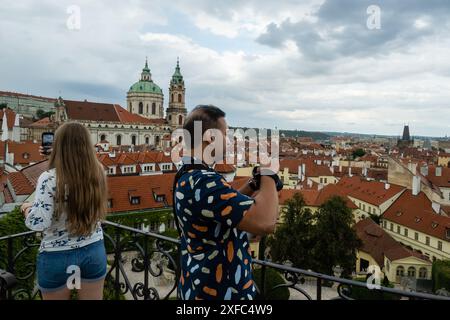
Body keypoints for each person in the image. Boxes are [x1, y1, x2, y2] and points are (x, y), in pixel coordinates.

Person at [174, 105, 280, 300]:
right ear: (210, 137)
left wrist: (251, 185)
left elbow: (220, 207)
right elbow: (266, 222)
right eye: (226, 135)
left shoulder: (188, 174)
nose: (229, 141)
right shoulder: (203, 181)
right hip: (220, 292)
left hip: (197, 284)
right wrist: (268, 171)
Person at [21, 122, 108, 300]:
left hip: (57, 256)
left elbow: (38, 223)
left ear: (58, 145)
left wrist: (27, 208)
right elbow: (73, 176)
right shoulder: (98, 172)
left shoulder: (48, 178)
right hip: (93, 250)